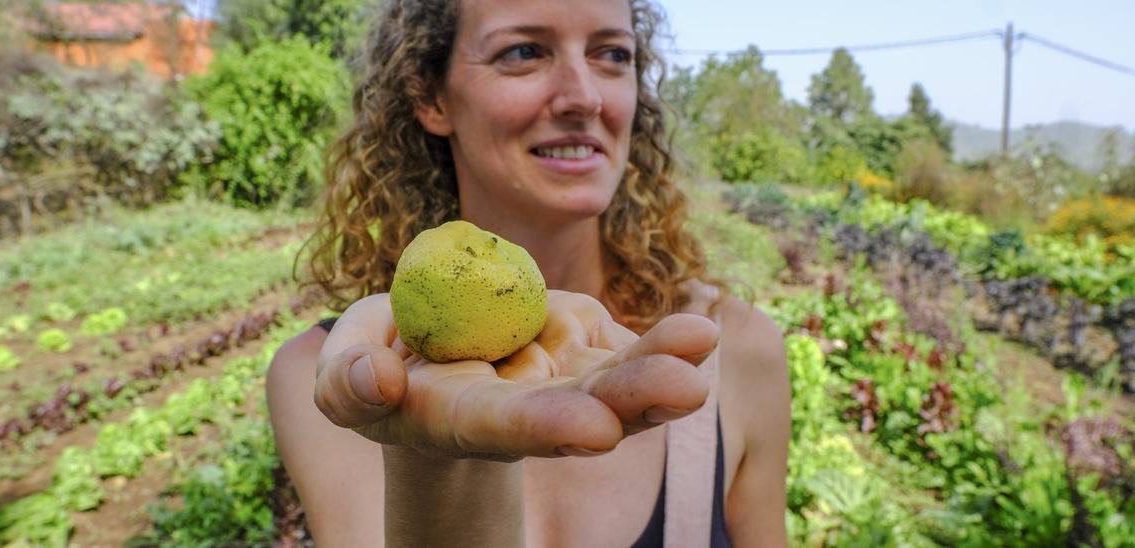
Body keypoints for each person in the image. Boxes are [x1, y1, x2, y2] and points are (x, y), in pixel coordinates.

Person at [266, 0, 791, 545]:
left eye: (612, 54)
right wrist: (430, 463)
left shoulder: (739, 354)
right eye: (523, 52)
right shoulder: (332, 379)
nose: (584, 97)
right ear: (430, 96)